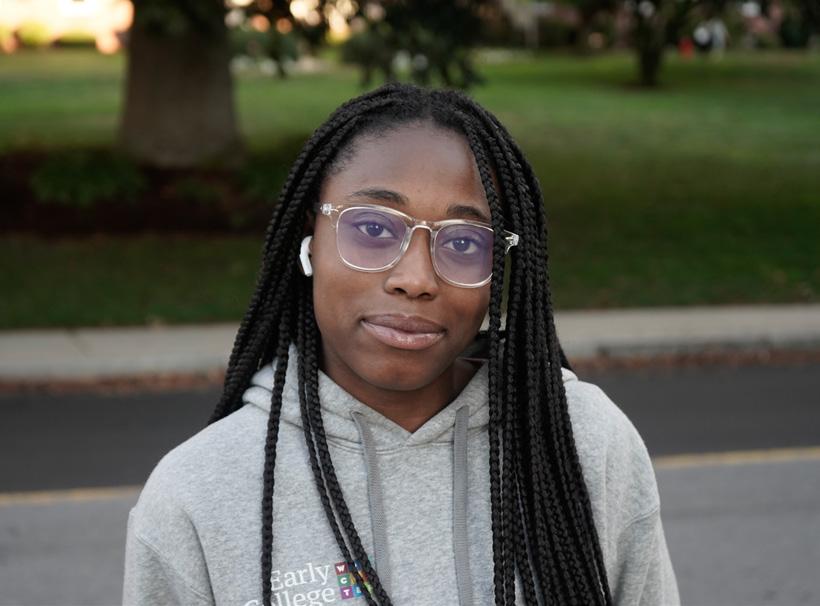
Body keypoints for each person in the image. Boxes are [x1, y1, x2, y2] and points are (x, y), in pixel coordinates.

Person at [122, 83, 680, 606]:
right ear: (309, 240)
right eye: (373, 228)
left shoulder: (583, 442)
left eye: (464, 242)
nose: (416, 279)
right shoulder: (198, 493)